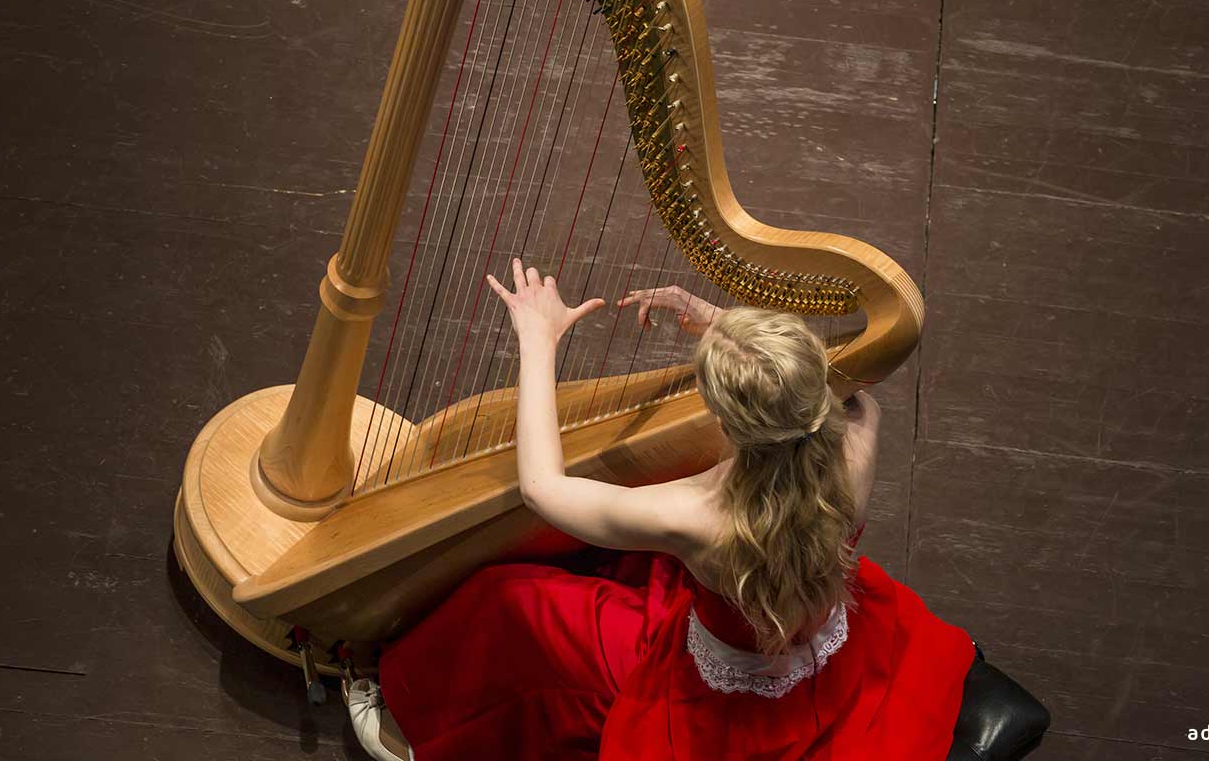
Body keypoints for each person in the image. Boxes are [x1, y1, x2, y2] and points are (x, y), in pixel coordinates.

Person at [345, 260, 976, 760]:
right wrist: (727, 331)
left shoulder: (695, 513)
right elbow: (845, 391)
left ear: (729, 423)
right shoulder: (856, 444)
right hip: (822, 641)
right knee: (618, 569)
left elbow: (543, 488)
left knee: (510, 602)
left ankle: (403, 722)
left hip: (718, 703)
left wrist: (539, 340)